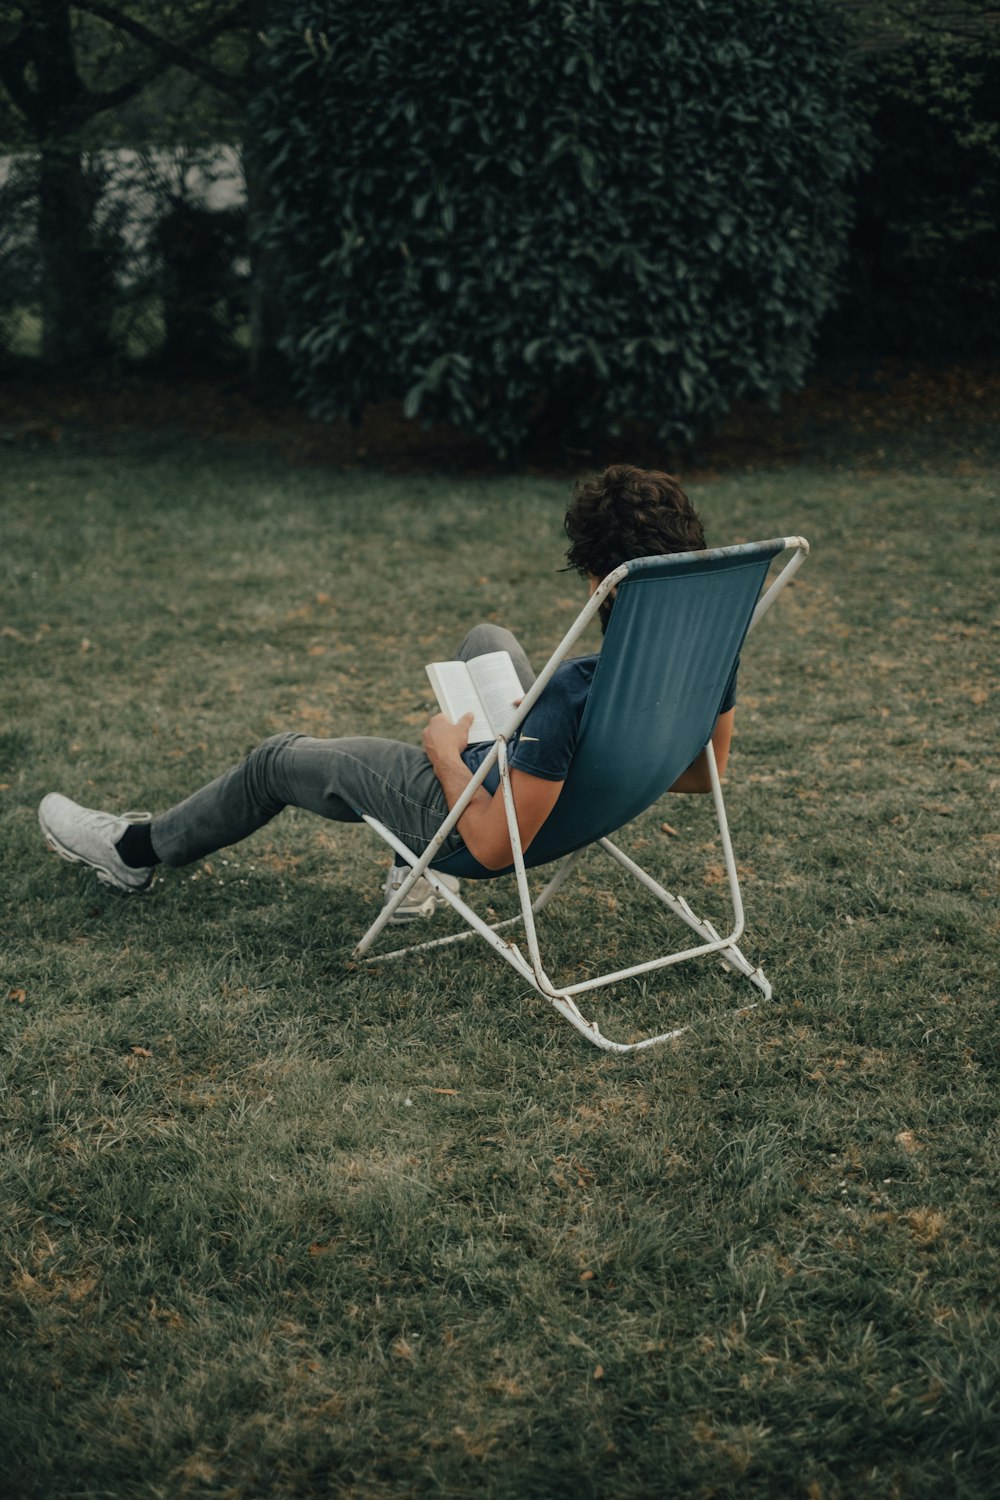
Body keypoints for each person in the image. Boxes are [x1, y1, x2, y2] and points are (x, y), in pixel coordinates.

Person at [38, 465, 737, 919]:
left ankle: (134, 851)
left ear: (594, 578)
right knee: (488, 640)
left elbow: (496, 850)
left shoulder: (567, 695)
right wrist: (605, 772)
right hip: (567, 794)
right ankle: (414, 865)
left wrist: (443, 754)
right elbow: (706, 776)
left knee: (278, 759)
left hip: (486, 822)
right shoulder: (709, 657)